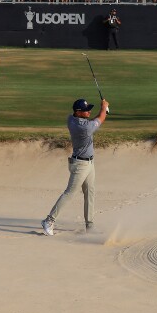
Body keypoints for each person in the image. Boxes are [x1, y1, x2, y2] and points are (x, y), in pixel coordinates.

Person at [41, 96, 108, 236]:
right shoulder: (84, 128)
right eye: (85, 111)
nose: (88, 112)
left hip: (89, 163)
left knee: (90, 193)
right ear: (78, 112)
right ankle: (49, 220)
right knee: (69, 193)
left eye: (89, 110)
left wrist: (103, 111)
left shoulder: (71, 119)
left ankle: (90, 226)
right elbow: (100, 119)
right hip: (80, 165)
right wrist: (104, 108)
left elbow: (96, 119)